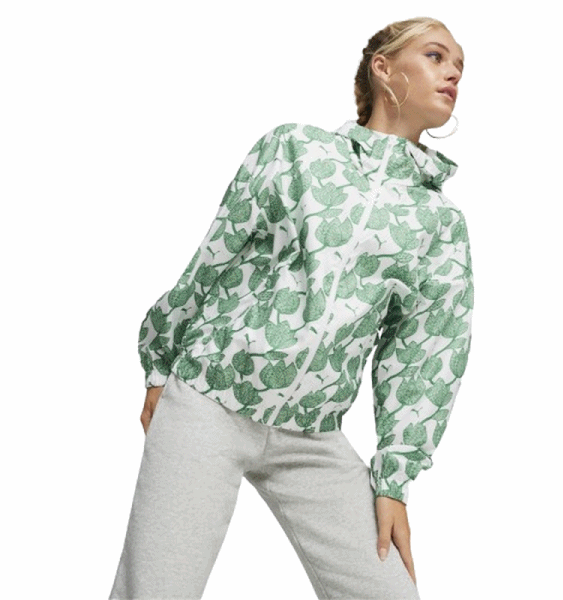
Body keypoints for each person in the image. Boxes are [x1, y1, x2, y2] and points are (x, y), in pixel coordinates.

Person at [108, 16, 473, 600]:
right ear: (384, 69)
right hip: (209, 398)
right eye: (436, 56)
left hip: (312, 436)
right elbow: (217, 252)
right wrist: (161, 358)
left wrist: (393, 481)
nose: (453, 72)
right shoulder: (296, 150)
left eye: (460, 66)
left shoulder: (439, 222)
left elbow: (425, 353)